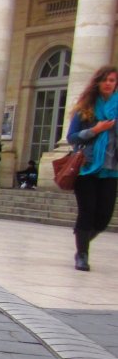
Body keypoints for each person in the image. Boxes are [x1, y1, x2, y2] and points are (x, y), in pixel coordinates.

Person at [67, 65, 118, 271]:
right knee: (87, 212)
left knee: (104, 217)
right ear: (98, 82)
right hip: (86, 168)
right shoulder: (85, 108)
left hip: (111, 168)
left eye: (112, 80)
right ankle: (82, 254)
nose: (108, 83)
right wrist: (95, 130)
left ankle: (82, 237)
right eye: (105, 80)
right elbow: (71, 137)